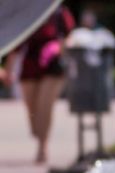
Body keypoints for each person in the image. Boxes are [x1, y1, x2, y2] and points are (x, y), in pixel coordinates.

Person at [0, 3, 76, 164]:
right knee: (32, 110)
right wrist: (8, 71)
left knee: (44, 106)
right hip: (30, 66)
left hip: (52, 66)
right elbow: (16, 44)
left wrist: (58, 48)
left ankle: (43, 146)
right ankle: (39, 135)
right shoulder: (23, 11)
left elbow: (70, 36)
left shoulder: (58, 12)